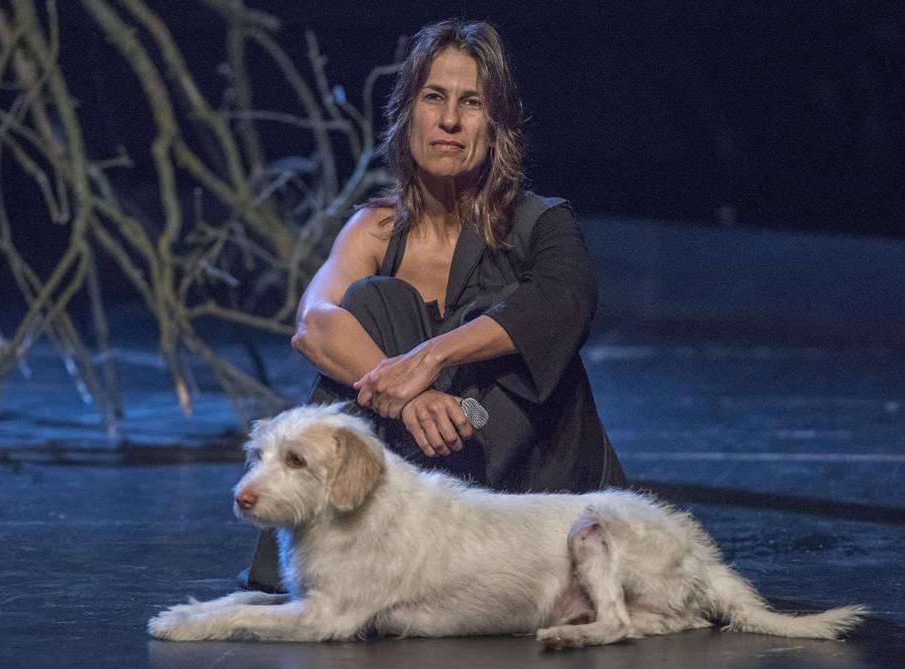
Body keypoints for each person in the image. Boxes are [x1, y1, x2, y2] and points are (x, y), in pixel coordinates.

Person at [240, 18, 626, 592]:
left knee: (499, 313)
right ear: (409, 114)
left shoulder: (541, 222)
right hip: (420, 464)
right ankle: (339, 549)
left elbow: (566, 301)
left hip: (524, 470)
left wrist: (429, 356)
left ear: (496, 128)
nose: (449, 120)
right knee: (370, 300)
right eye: (434, 98)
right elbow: (312, 325)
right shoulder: (375, 228)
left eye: (471, 103)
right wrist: (408, 394)